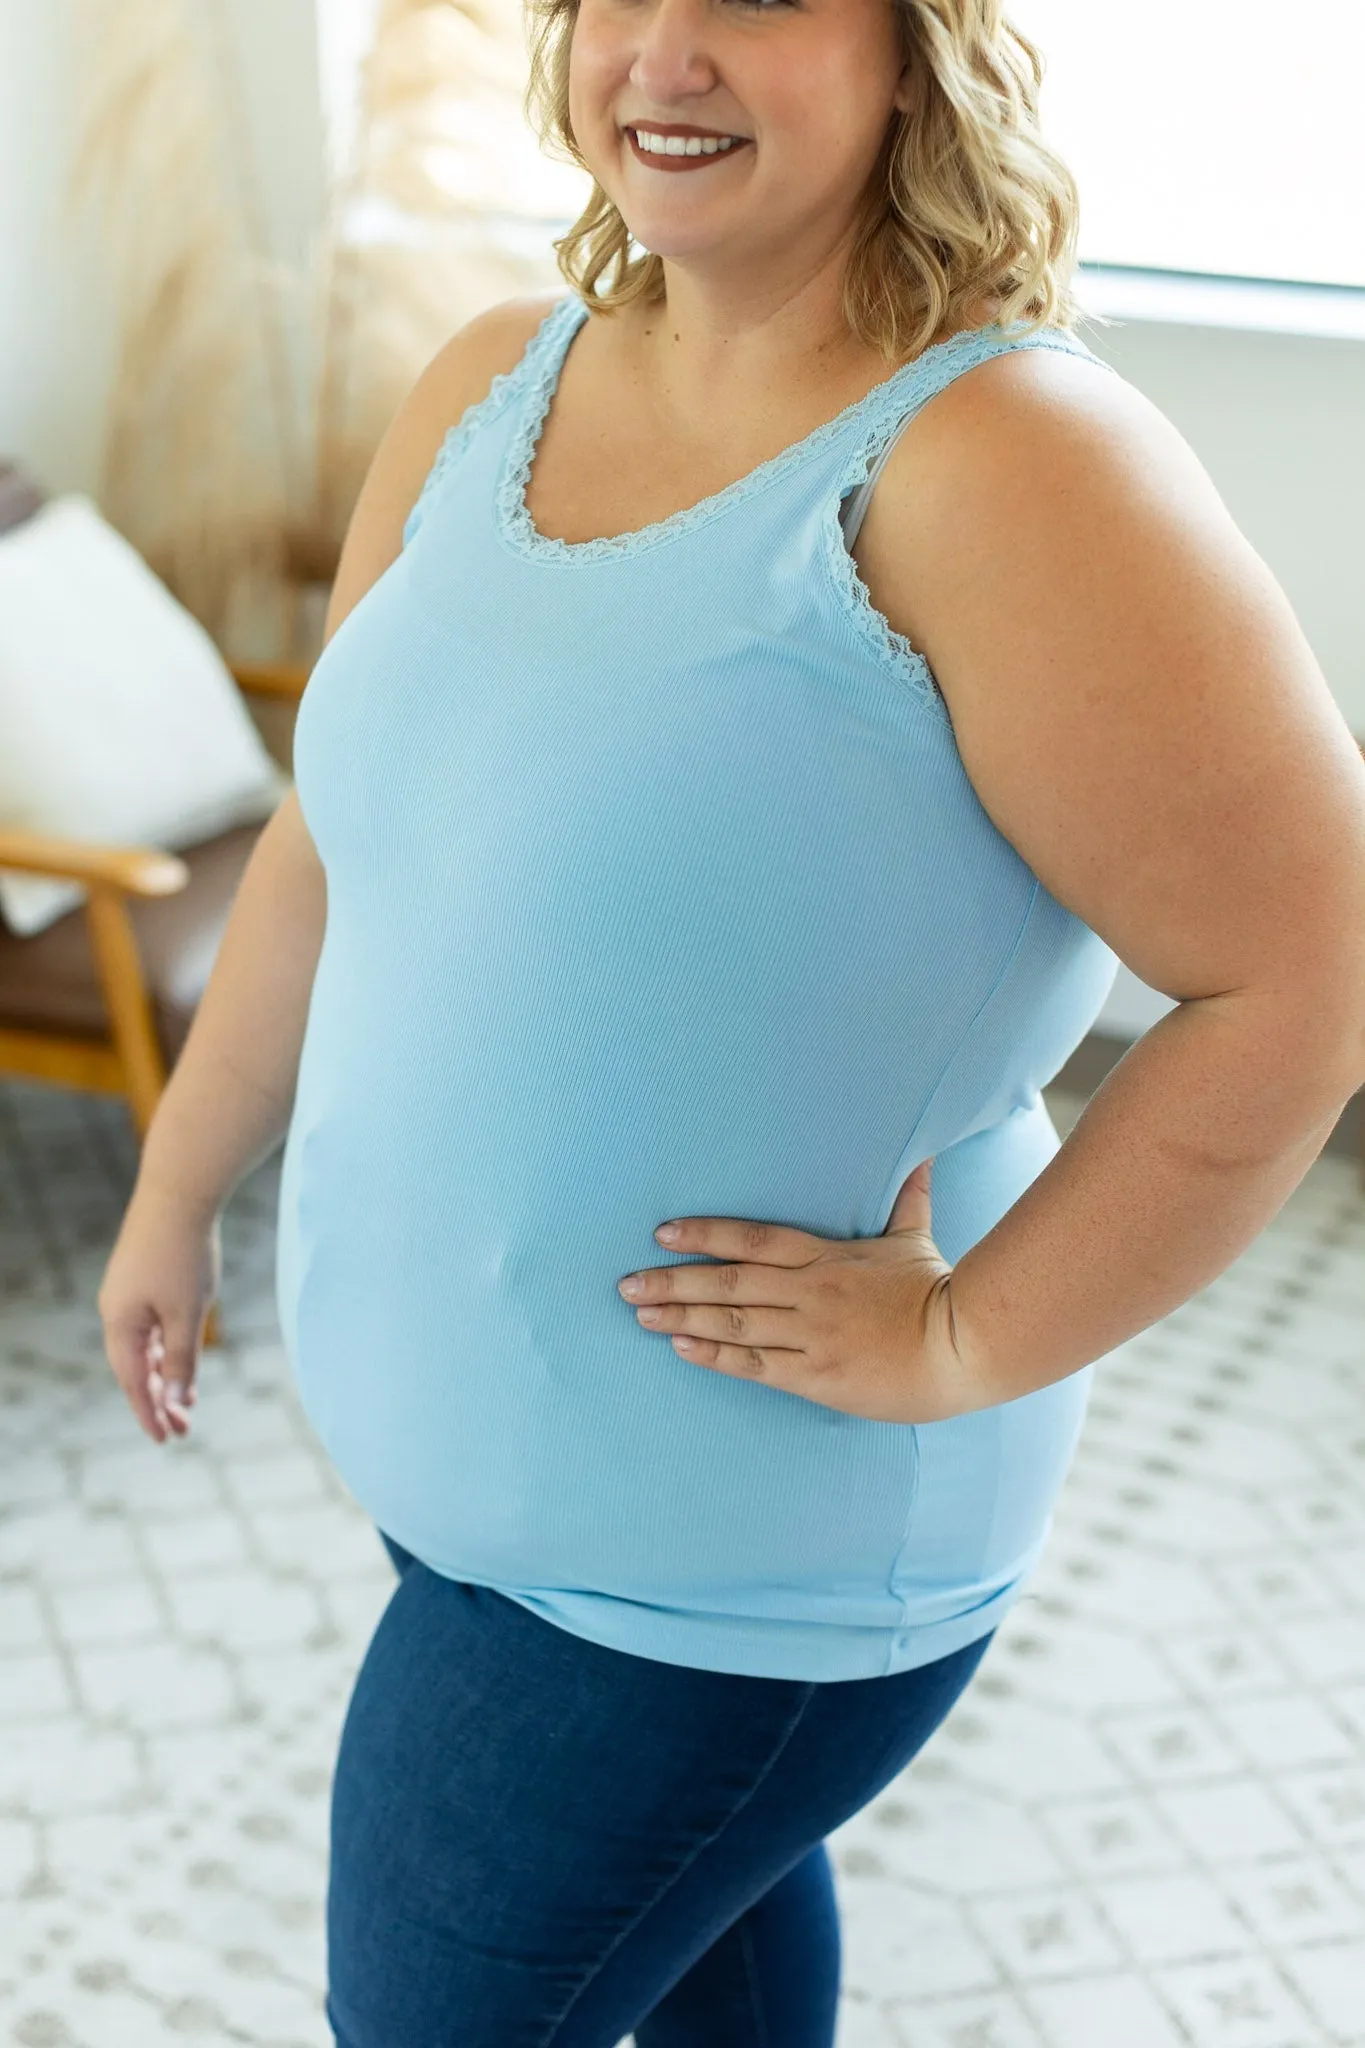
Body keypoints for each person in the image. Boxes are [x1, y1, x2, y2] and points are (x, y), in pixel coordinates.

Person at [98, 0, 1365, 2041]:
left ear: (915, 54)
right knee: (709, 1969)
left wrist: (968, 1332)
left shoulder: (1007, 463)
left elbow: (1307, 975)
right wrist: (177, 1176)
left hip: (724, 1566)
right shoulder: (483, 388)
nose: (664, 51)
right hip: (487, 1498)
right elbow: (340, 842)